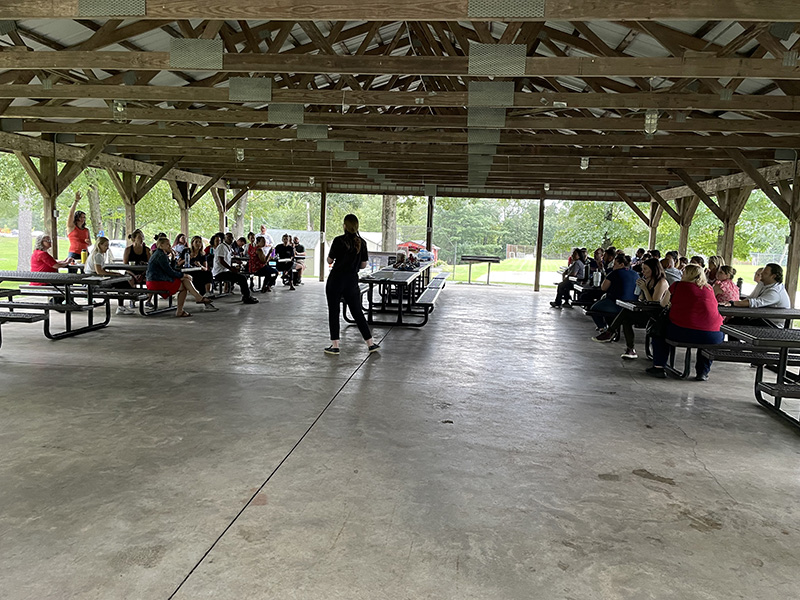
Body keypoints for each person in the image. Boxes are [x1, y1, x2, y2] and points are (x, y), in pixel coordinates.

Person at [647, 265, 724, 381]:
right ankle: (702, 372)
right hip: (714, 334)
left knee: (659, 331)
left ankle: (658, 366)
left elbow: (663, 304)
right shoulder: (709, 288)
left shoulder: (677, 285)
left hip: (684, 331)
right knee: (705, 340)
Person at [324, 214, 380, 355]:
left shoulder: (338, 241)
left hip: (336, 280)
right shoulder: (362, 243)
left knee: (334, 311)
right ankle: (370, 343)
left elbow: (330, 261)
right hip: (351, 280)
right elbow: (363, 265)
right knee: (357, 312)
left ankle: (335, 345)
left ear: (344, 226)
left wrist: (332, 258)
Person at [593, 258, 669, 359]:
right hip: (647, 312)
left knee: (626, 312)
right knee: (626, 318)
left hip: (657, 316)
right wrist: (641, 289)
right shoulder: (648, 280)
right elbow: (642, 299)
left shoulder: (661, 282)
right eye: (642, 269)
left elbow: (653, 303)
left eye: (645, 269)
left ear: (654, 269)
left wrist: (645, 289)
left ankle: (610, 332)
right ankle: (630, 349)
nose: (643, 272)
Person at [147, 237, 217, 317]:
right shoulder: (161, 255)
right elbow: (170, 272)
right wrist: (183, 275)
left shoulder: (160, 254)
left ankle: (197, 298)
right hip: (157, 282)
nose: (170, 246)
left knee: (186, 280)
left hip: (158, 280)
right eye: (167, 244)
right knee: (184, 286)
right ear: (161, 245)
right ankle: (185, 307)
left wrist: (173, 256)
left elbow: (171, 269)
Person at [86, 236, 136, 315]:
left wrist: (113, 274)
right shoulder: (98, 255)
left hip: (94, 279)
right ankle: (132, 294)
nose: (107, 248)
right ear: (99, 245)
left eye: (108, 245)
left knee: (120, 280)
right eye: (105, 245)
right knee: (120, 281)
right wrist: (114, 274)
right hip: (95, 281)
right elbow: (99, 271)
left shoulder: (96, 254)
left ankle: (130, 295)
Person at [588, 254, 639, 331]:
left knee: (593, 309)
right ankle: (610, 326)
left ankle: (602, 327)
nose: (613, 266)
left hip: (617, 303)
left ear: (621, 264)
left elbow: (603, 288)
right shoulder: (635, 274)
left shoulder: (614, 273)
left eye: (615, 264)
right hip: (632, 304)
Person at [211, 231, 258, 304]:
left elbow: (228, 259)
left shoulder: (228, 247)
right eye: (228, 237)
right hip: (219, 272)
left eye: (232, 237)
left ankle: (244, 294)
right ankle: (246, 297)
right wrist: (231, 268)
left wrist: (236, 261)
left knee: (242, 275)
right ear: (224, 239)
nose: (231, 239)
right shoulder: (221, 247)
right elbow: (221, 260)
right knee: (242, 278)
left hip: (225, 271)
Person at [66, 191, 91, 261]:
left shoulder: (86, 230)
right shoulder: (71, 227)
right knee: (72, 271)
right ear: (77, 218)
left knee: (86, 271)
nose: (83, 219)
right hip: (74, 253)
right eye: (81, 217)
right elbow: (71, 214)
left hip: (85, 253)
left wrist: (88, 242)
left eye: (84, 217)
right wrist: (76, 201)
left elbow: (90, 243)